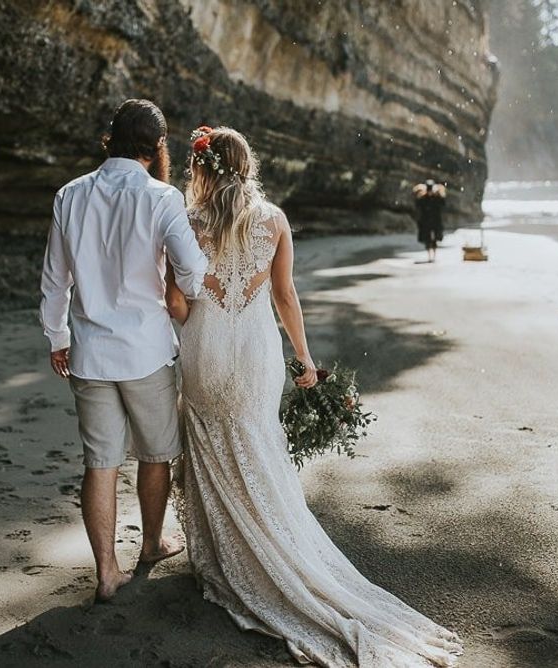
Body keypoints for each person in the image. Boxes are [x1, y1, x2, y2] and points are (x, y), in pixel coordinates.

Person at [166, 126, 462, 666]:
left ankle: (226, 557)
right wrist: (303, 360)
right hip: (255, 351)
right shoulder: (273, 220)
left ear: (203, 168)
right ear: (247, 165)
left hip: (204, 347)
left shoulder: (187, 223)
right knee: (257, 444)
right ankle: (276, 547)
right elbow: (283, 295)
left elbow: (179, 298)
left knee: (211, 442)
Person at [39, 99, 208, 602]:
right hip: (146, 352)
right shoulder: (162, 198)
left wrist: (57, 338)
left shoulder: (69, 194)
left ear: (108, 139)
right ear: (157, 147)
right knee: (156, 455)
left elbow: (54, 281)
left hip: (89, 353)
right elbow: (194, 273)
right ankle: (152, 542)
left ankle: (107, 572)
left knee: (100, 462)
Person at [413, 178, 447, 263]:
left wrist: (440, 192)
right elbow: (417, 204)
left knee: (434, 239)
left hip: (433, 221)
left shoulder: (436, 197)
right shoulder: (424, 198)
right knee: (428, 240)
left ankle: (433, 256)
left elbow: (443, 203)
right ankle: (430, 256)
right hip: (427, 221)